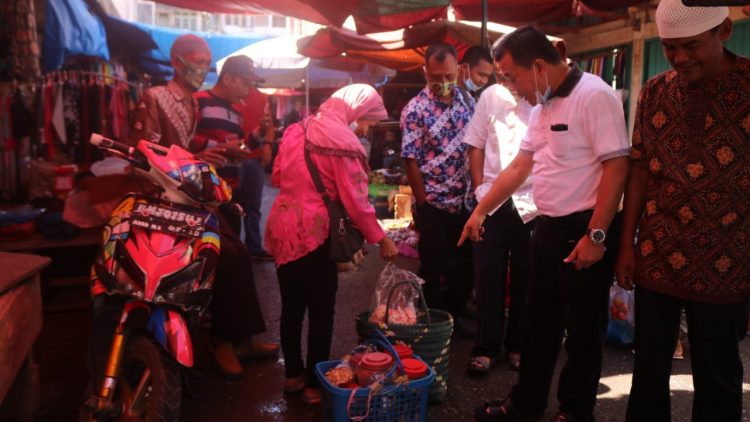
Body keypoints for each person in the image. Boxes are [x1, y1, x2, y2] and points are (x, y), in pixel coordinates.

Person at [459, 26, 629, 422]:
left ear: (538, 66)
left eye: (512, 76)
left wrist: (596, 236)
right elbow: (520, 166)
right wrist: (481, 209)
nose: (511, 87)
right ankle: (526, 403)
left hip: (585, 231)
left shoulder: (595, 95)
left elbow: (617, 167)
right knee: (539, 324)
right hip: (547, 227)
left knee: (583, 332)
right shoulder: (542, 107)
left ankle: (574, 411)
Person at [615, 1, 750, 421]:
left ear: (724, 31)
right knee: (649, 367)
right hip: (658, 251)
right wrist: (627, 245)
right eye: (670, 47)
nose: (679, 58)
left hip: (728, 258)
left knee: (718, 371)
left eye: (690, 46)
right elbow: (639, 169)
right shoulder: (656, 91)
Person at [129, 36, 278, 380]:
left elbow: (190, 149)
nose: (202, 67)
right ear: (177, 61)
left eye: (207, 60)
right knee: (227, 257)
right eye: (198, 59)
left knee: (237, 256)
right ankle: (223, 341)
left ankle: (239, 337)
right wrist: (201, 157)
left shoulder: (190, 105)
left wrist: (220, 151)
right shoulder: (159, 97)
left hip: (201, 194)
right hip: (168, 201)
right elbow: (147, 155)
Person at [265, 84, 398, 405]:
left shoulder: (297, 129)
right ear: (356, 111)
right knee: (321, 311)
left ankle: (293, 376)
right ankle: (314, 385)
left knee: (292, 308)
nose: (365, 129)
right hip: (315, 232)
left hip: (283, 227)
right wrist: (382, 238)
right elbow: (356, 201)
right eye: (367, 121)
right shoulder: (342, 140)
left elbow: (278, 176)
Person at [463, 42, 537, 375]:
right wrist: (481, 188)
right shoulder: (490, 96)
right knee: (488, 275)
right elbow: (475, 144)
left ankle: (518, 344)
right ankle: (486, 347)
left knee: (527, 276)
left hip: (532, 203)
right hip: (492, 201)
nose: (507, 78)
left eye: (511, 72)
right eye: (501, 72)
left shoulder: (541, 97)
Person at [400, 43, 475, 327]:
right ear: (425, 73)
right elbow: (411, 160)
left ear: (459, 71)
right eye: (436, 78)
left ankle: (456, 309)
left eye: (448, 77)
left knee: (466, 264)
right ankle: (437, 322)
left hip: (465, 200)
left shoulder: (467, 101)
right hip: (434, 202)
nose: (443, 84)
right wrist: (424, 205)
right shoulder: (415, 110)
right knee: (434, 266)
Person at [236, 62, 274, 260]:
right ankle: (231, 248)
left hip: (254, 158)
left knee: (253, 206)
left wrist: (267, 144)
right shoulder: (230, 96)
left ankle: (254, 247)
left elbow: (269, 125)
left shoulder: (261, 98)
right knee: (230, 206)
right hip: (232, 158)